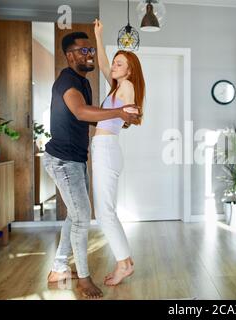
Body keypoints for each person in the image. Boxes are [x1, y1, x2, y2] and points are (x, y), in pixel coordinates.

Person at [43, 31, 140, 299]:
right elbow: (81, 112)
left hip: (80, 157)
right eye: (83, 51)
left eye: (91, 51)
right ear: (70, 55)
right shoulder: (69, 82)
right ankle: (84, 279)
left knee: (78, 215)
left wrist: (121, 116)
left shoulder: (88, 82)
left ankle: (59, 268)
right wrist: (119, 114)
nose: (90, 55)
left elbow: (98, 116)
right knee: (82, 217)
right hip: (64, 160)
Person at [92, 19, 145, 286]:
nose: (113, 66)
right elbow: (102, 64)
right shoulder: (116, 86)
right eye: (115, 62)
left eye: (119, 63)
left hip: (107, 149)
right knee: (106, 211)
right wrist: (98, 36)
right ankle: (126, 261)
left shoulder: (126, 87)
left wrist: (131, 113)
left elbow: (133, 112)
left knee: (105, 213)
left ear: (129, 69)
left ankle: (124, 263)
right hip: (105, 149)